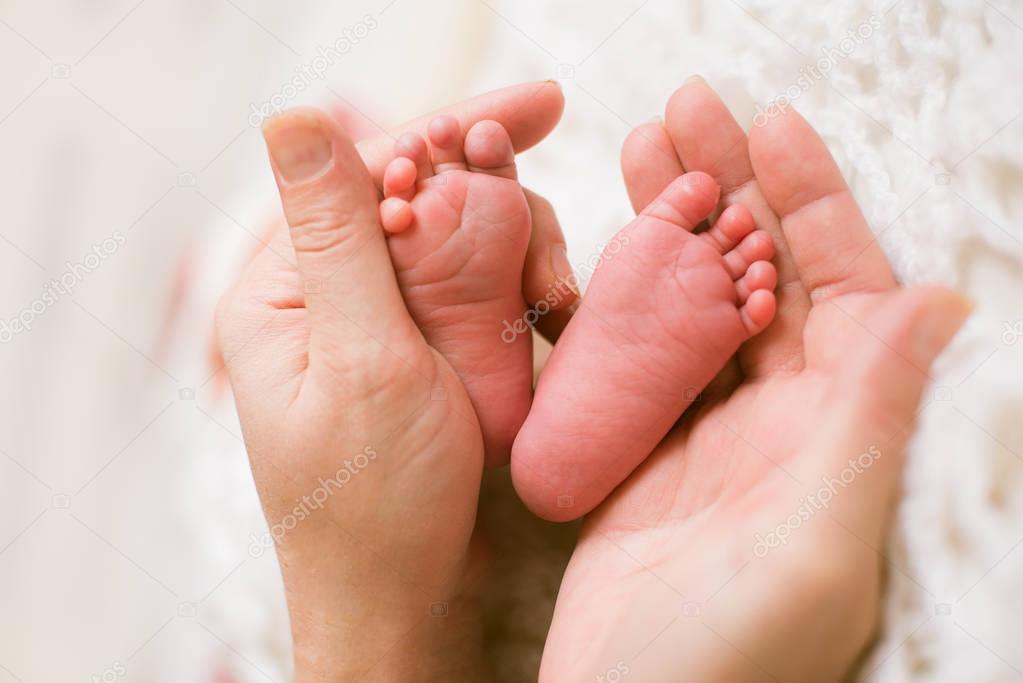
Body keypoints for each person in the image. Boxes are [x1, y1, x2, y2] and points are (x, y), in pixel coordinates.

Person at [215, 78, 970, 681]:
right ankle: (498, 390)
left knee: (256, 312)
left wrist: (374, 613)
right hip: (371, 473)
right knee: (259, 292)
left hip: (358, 533)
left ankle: (460, 387)